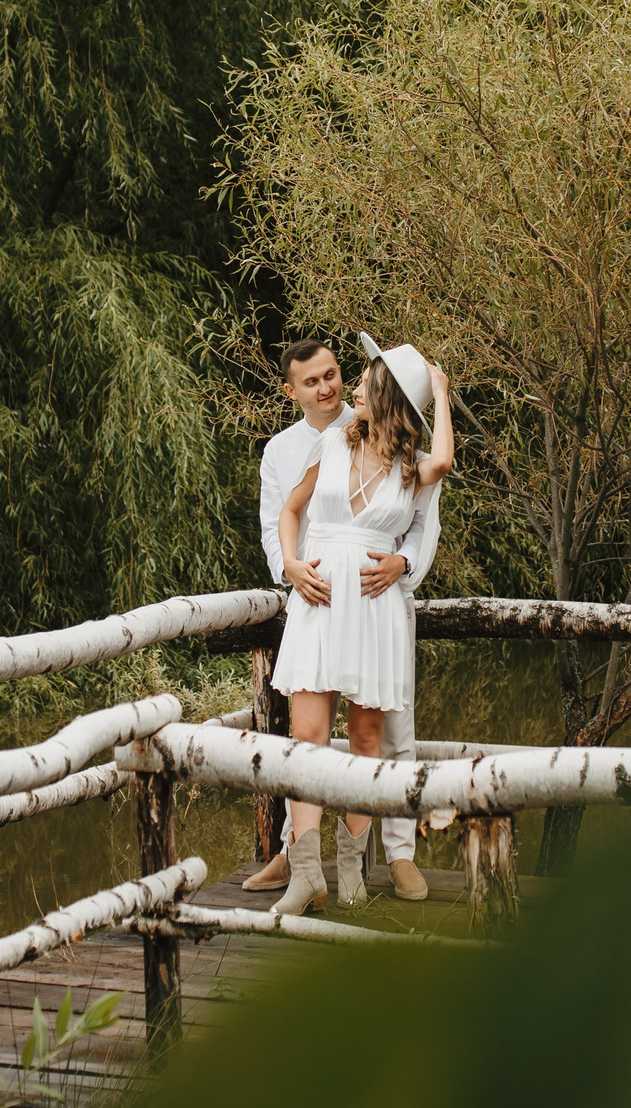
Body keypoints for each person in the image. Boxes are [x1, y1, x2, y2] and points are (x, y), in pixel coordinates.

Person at [242, 341, 438, 903]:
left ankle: (391, 857)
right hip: (317, 598)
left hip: (378, 599)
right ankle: (299, 863)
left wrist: (405, 564)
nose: (328, 387)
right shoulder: (284, 450)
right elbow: (278, 516)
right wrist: (291, 570)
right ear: (293, 390)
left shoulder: (394, 442)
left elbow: (423, 520)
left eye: (335, 375)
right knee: (306, 736)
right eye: (313, 381)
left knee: (381, 737)